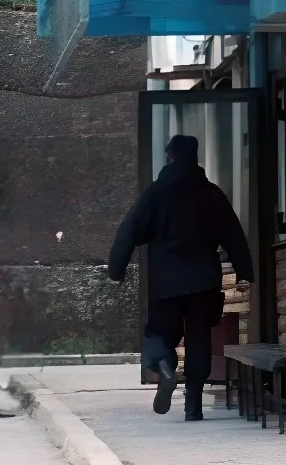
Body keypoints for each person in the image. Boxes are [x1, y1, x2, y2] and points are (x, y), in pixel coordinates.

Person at [109, 134, 254, 422]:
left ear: (170, 157)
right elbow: (233, 234)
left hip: (167, 281)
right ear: (195, 158)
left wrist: (117, 269)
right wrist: (244, 271)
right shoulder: (211, 193)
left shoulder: (157, 193)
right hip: (204, 281)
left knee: (159, 332)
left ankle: (164, 364)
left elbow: (130, 230)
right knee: (199, 338)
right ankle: (193, 407)